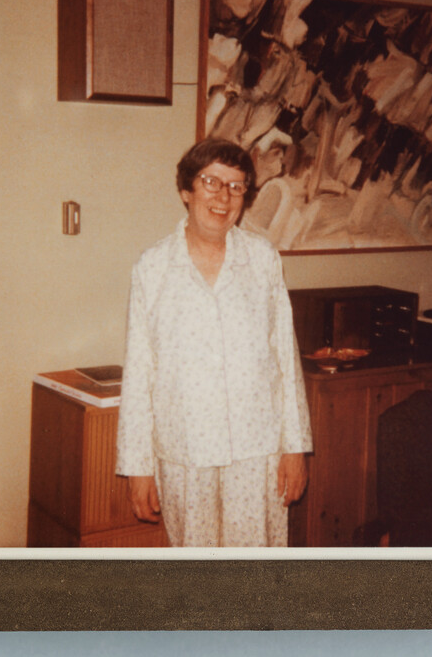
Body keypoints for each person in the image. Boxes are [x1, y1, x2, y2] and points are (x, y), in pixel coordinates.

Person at [115, 137, 313, 547]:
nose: (223, 197)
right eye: (211, 182)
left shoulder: (262, 261)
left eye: (236, 186)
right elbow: (139, 373)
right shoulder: (152, 268)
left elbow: (285, 361)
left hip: (257, 450)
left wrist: (295, 449)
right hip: (185, 451)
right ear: (186, 191)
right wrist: (138, 468)